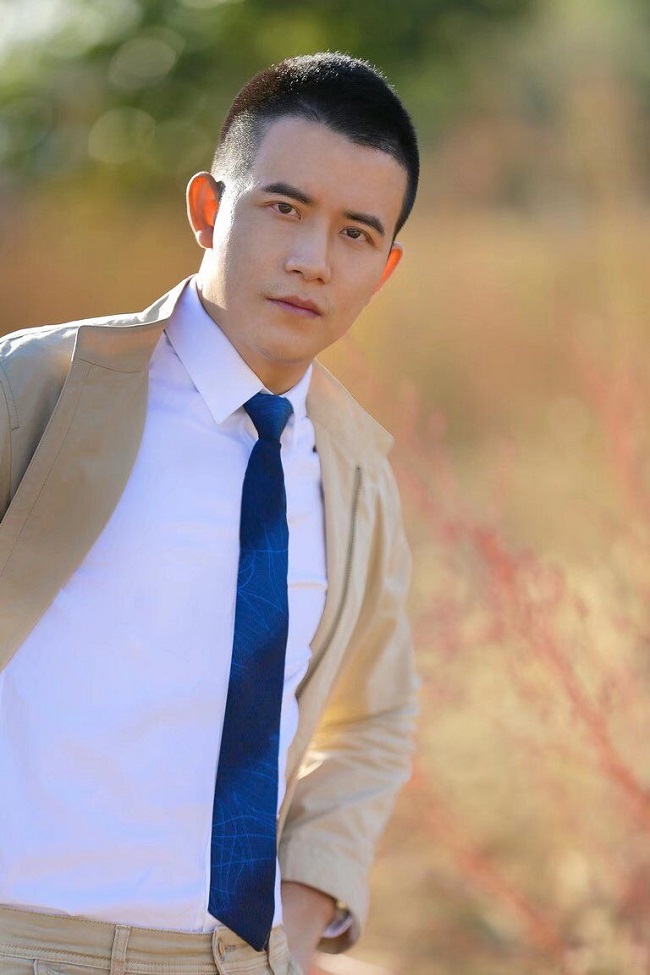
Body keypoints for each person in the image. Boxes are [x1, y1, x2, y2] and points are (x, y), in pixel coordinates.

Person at [0, 52, 419, 975]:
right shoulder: (37, 394)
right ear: (206, 209)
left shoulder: (354, 471)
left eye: (355, 233)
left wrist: (304, 906)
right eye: (284, 208)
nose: (312, 260)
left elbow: (374, 715)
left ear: (384, 268)